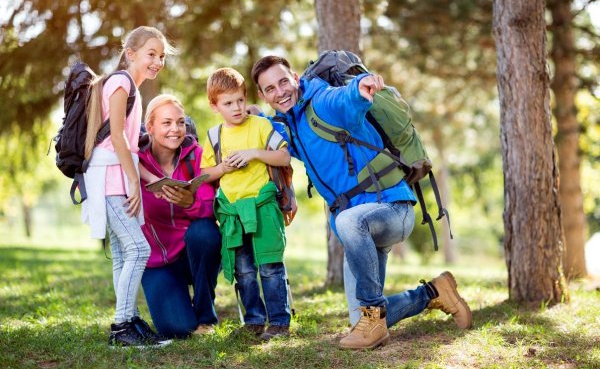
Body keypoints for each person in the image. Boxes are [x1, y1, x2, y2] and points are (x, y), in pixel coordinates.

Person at [251, 55, 472, 350]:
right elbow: (278, 136)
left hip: (392, 209)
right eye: (270, 89)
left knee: (347, 222)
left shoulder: (322, 102)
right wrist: (252, 118)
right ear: (263, 95)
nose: (280, 92)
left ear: (294, 77)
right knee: (362, 319)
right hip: (360, 227)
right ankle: (434, 292)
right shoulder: (292, 126)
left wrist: (360, 86)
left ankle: (373, 313)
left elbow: (344, 99)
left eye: (283, 82)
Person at [81, 26, 177, 347]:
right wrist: (134, 181)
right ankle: (122, 326)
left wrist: (151, 180)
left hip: (116, 178)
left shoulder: (132, 87)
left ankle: (130, 320)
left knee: (124, 254)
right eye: (151, 54)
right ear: (131, 53)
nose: (157, 61)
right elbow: (118, 137)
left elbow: (128, 146)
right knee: (139, 249)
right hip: (109, 181)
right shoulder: (121, 82)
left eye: (161, 56)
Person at [200, 68, 292, 341]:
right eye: (228, 103)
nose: (237, 108)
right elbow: (205, 174)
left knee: (270, 265)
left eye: (240, 100)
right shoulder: (215, 136)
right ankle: (253, 319)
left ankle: (279, 322)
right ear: (214, 106)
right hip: (233, 213)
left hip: (263, 208)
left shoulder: (261, 126)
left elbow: (284, 157)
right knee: (244, 271)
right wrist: (222, 168)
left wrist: (255, 154)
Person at [137, 94, 222, 339]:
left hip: (192, 253)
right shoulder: (135, 161)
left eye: (180, 122)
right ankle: (181, 303)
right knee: (177, 330)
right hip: (157, 262)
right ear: (150, 127)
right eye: (166, 123)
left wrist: (190, 203)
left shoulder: (196, 155)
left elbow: (209, 206)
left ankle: (206, 316)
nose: (175, 129)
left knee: (205, 232)